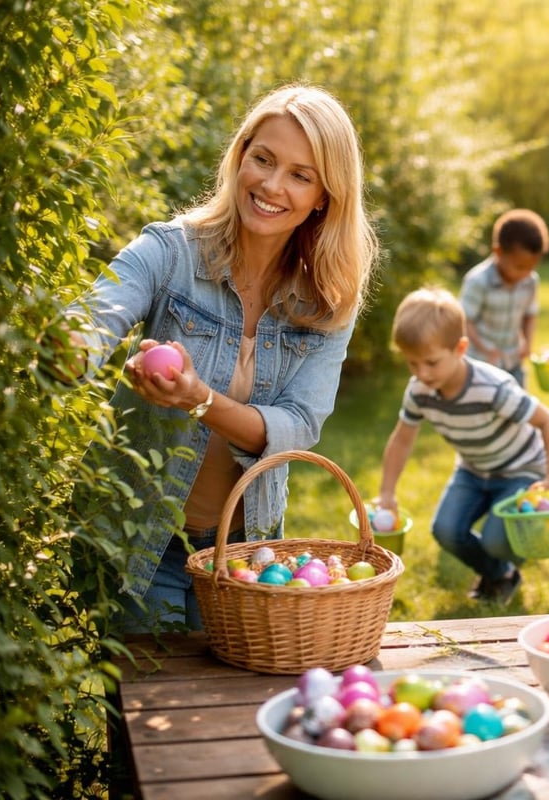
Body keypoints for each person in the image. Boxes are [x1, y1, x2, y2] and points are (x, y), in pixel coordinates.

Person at [64, 84, 377, 632]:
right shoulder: (171, 251)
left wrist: (199, 400)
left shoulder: (327, 301)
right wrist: (68, 348)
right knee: (145, 712)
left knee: (227, 712)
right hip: (137, 538)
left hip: (245, 551)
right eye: (263, 159)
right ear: (241, 156)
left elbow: (297, 426)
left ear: (324, 195)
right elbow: (99, 312)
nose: (272, 185)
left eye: (301, 175)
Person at [376, 287, 549, 604]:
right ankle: (501, 574)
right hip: (474, 469)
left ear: (461, 348)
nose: (422, 373)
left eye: (431, 362)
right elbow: (401, 440)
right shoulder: (419, 391)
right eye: (412, 364)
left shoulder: (493, 388)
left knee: (495, 539)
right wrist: (386, 493)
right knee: (446, 531)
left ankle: (502, 564)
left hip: (520, 469)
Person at [458, 209, 549, 387]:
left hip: (512, 360)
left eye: (532, 267)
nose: (526, 273)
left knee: (518, 410)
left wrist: (527, 343)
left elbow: (530, 314)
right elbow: (465, 320)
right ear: (498, 252)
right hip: (480, 363)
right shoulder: (478, 281)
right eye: (520, 266)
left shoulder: (530, 282)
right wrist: (486, 349)